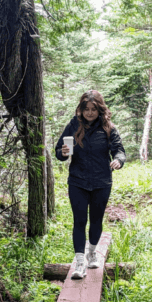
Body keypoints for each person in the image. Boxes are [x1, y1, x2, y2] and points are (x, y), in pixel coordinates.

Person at [55, 90, 126, 279]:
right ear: (81, 109)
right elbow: (59, 151)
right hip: (77, 181)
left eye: (93, 109)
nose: (89, 113)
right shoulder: (74, 125)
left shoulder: (108, 128)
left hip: (102, 182)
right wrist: (62, 152)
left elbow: (119, 150)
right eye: (86, 109)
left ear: (100, 109)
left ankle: (92, 252)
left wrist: (118, 160)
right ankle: (80, 263)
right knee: (79, 221)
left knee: (96, 220)